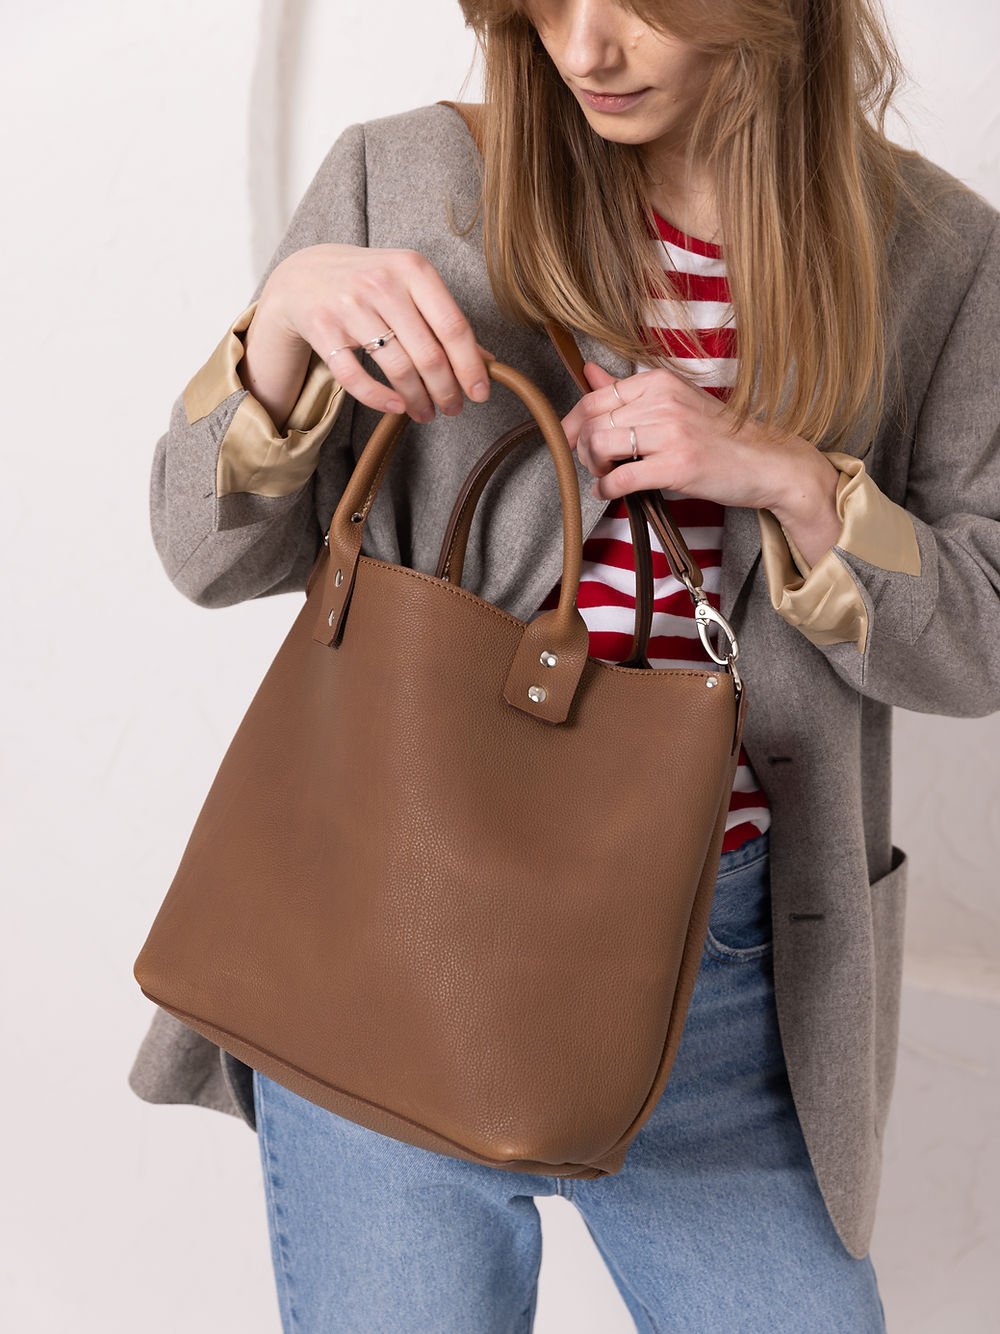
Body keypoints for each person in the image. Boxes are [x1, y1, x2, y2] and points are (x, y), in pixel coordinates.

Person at [128, 1, 1000, 1329]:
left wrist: (795, 482)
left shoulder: (937, 257)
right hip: (391, 933)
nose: (581, 47)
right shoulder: (405, 177)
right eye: (545, 0)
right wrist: (281, 329)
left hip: (730, 983)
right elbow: (202, 551)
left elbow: (978, 637)